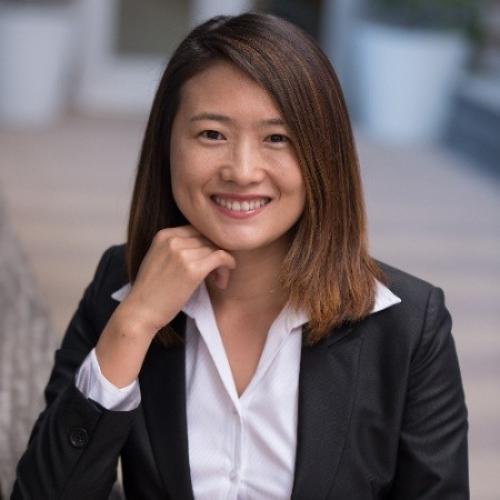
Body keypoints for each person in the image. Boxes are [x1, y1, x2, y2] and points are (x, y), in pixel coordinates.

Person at [12, 12, 468, 500]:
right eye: (212, 134)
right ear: (167, 145)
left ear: (324, 156)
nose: (243, 171)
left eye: (277, 138)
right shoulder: (123, 285)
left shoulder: (407, 325)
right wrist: (134, 324)